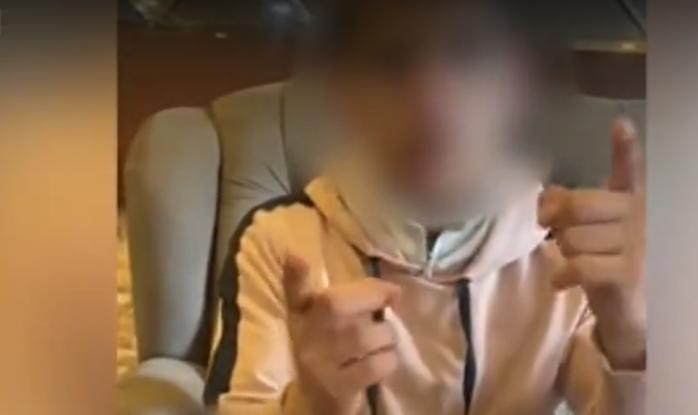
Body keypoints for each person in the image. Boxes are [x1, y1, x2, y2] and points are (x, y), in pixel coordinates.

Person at [204, 1, 646, 414]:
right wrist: (313, 401)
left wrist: (631, 339)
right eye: (392, 61)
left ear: (520, 87)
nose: (432, 99)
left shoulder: (574, 250)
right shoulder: (279, 240)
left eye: (469, 54)